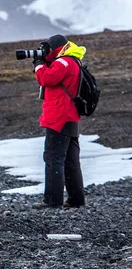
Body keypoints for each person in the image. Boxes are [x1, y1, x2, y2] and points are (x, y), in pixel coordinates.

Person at [32, 34, 86, 209]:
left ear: (53, 49)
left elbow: (46, 78)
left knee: (53, 158)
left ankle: (52, 201)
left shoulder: (63, 62)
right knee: (71, 160)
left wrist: (39, 65)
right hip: (70, 116)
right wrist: (44, 63)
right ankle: (76, 199)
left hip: (59, 117)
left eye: (46, 49)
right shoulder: (73, 60)